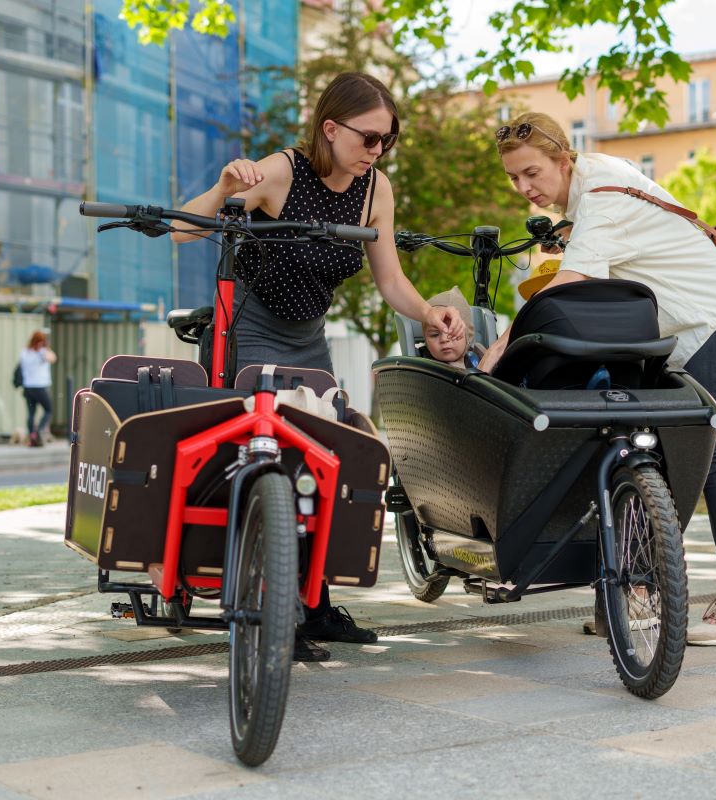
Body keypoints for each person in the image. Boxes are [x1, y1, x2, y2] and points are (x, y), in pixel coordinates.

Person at [172, 72, 466, 662]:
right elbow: (185, 228)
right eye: (368, 138)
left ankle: (315, 604)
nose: (376, 151)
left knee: (331, 459)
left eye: (386, 140)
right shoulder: (280, 172)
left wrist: (431, 313)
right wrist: (226, 184)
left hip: (310, 342)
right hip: (248, 334)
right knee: (267, 460)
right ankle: (268, 606)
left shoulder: (373, 189)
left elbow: (391, 281)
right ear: (330, 129)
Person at [479, 112, 716, 646]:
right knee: (646, 451)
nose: (524, 189)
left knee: (708, 452)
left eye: (532, 173)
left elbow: (565, 286)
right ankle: (635, 594)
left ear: (564, 159)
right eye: (514, 178)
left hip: (706, 318)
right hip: (668, 327)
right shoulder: (594, 186)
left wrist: (502, 342)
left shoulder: (603, 196)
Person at [422, 286, 485, 369]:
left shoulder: (484, 357)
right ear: (426, 341)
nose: (444, 339)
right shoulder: (422, 372)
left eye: (453, 331)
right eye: (435, 334)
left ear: (468, 334)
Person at [19, 331, 56, 448]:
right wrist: (46, 348)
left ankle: (32, 437)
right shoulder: (42, 352)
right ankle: (40, 430)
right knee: (49, 409)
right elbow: (53, 358)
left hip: (28, 387)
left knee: (31, 413)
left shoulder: (24, 353)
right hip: (40, 387)